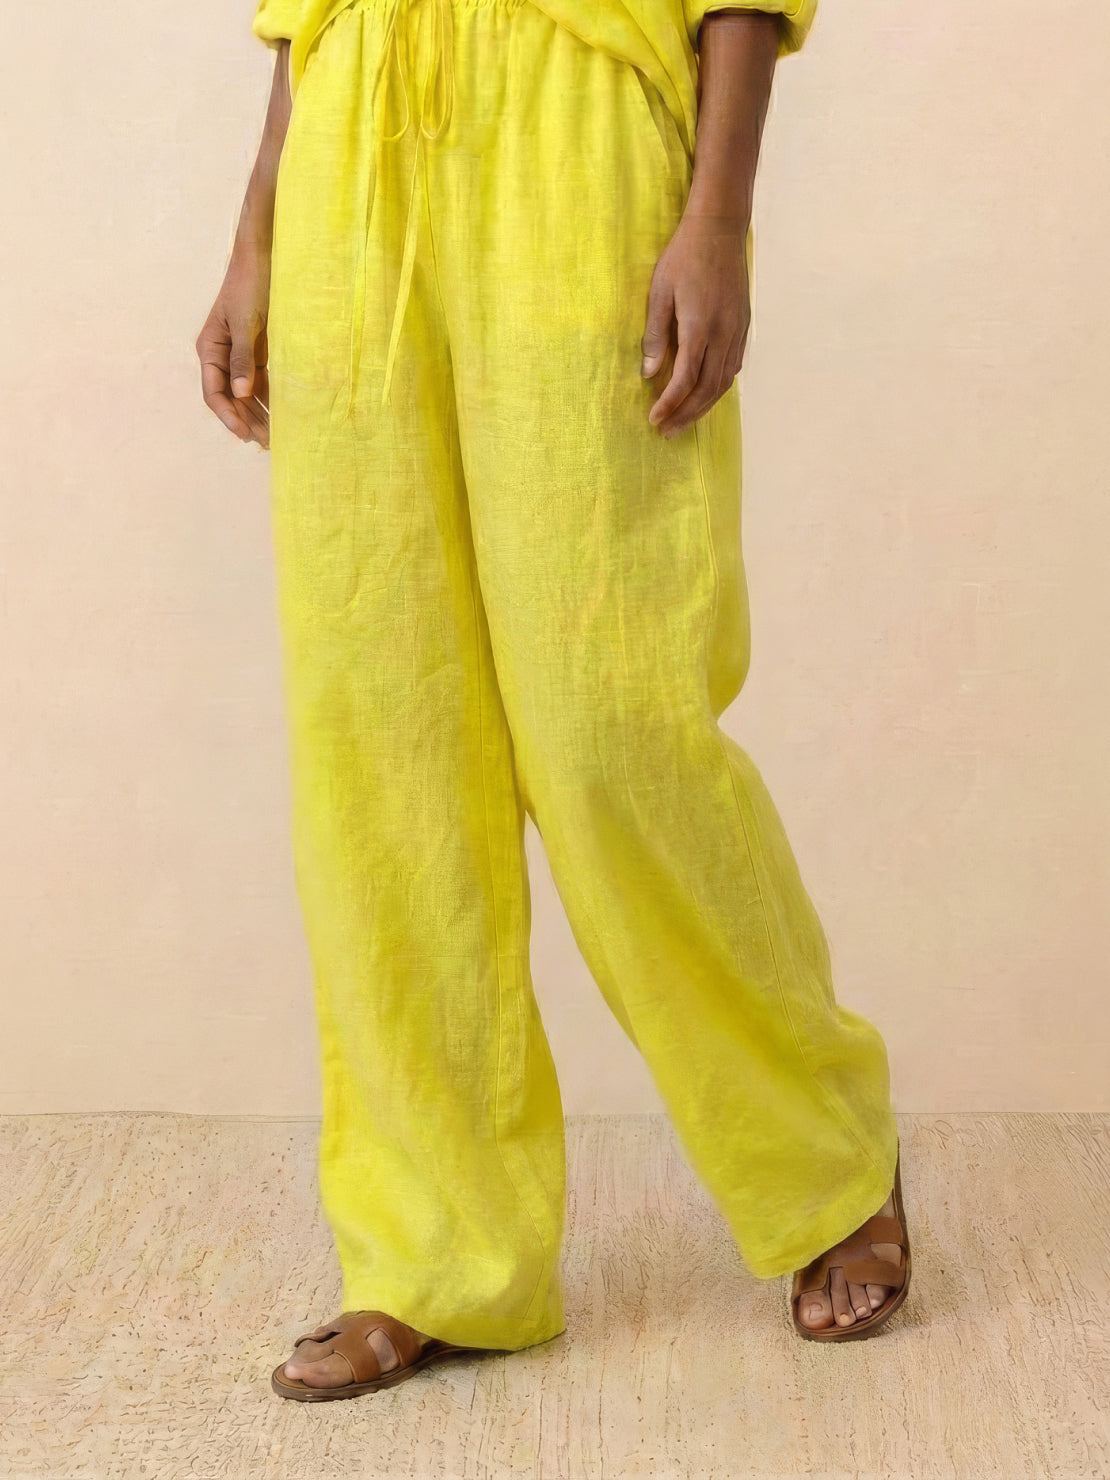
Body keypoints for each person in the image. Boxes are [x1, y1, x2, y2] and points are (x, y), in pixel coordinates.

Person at [196, 0, 910, 1401]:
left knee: (612, 728)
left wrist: (718, 220)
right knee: (384, 742)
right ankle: (434, 1253)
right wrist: (256, 230)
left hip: (581, 131)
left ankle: (825, 1160)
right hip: (352, 148)